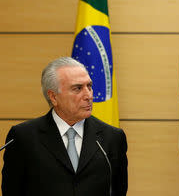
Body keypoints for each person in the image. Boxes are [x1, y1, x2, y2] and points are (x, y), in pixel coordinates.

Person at [1, 57, 128, 196]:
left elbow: (118, 190)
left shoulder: (112, 137)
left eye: (89, 86)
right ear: (53, 97)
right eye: (78, 88)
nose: (88, 95)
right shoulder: (23, 137)